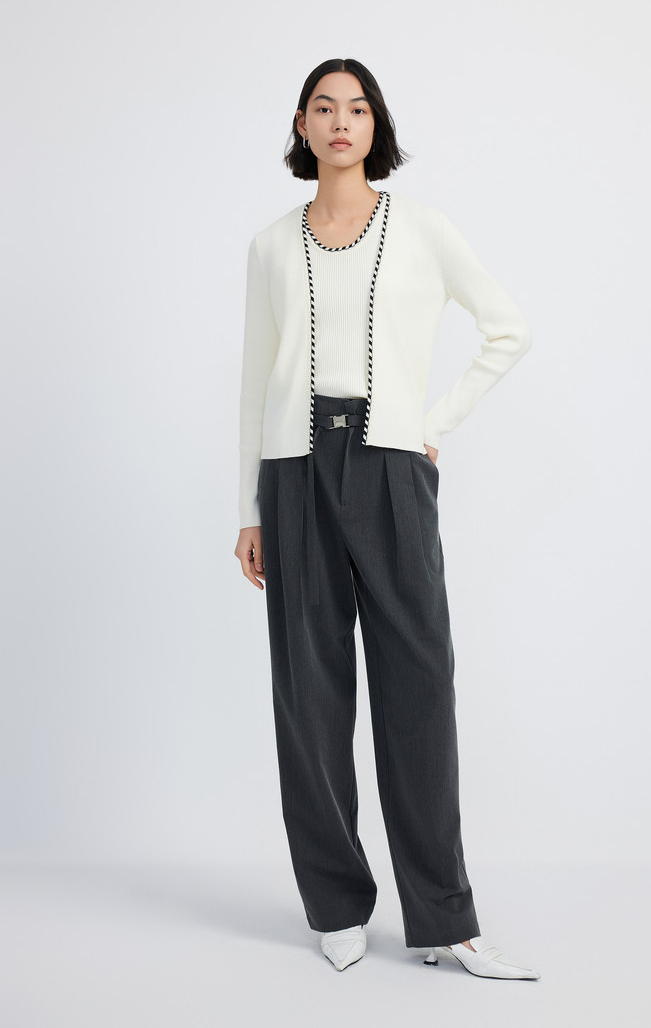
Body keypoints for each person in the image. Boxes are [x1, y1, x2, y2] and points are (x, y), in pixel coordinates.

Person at [234, 58, 540, 980]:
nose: (341, 122)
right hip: (294, 474)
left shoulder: (423, 229)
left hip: (392, 469)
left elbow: (508, 329)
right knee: (310, 694)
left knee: (419, 686)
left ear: (376, 125)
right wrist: (249, 509)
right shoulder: (270, 246)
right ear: (301, 124)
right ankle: (336, 905)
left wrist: (429, 425)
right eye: (324, 108)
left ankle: (445, 918)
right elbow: (254, 384)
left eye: (358, 108)